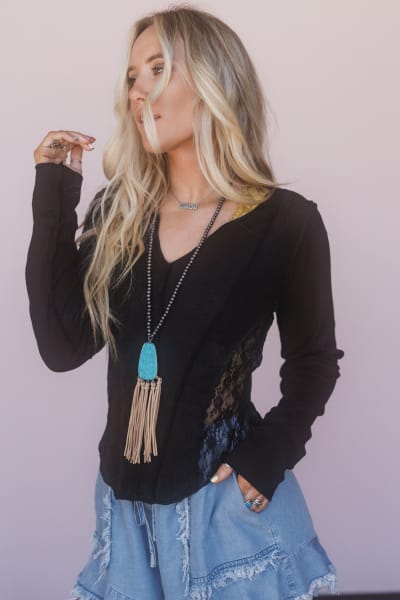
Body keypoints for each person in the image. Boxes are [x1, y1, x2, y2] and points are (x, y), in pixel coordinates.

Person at [25, 5, 345, 600]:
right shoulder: (119, 213)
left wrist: (269, 456)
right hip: (125, 520)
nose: (137, 91)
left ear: (213, 81)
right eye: (131, 77)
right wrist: (54, 192)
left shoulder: (287, 223)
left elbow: (314, 363)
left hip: (228, 516)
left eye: (157, 69)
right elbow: (62, 347)